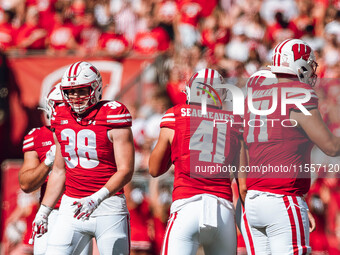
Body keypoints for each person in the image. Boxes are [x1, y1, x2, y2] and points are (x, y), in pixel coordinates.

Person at [241, 39, 340, 254]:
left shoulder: (254, 96)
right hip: (282, 199)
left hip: (254, 201)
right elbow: (331, 147)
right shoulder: (297, 93)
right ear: (299, 64)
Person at [30, 61, 135, 255]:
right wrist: (44, 210)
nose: (75, 97)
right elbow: (60, 171)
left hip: (108, 206)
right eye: (70, 92)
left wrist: (96, 198)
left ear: (95, 87)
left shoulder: (113, 113)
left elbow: (126, 170)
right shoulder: (60, 116)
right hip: (72, 206)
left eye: (80, 91)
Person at [149, 68, 243, 255]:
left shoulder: (175, 115)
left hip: (187, 207)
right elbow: (243, 181)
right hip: (223, 211)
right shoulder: (235, 122)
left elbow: (154, 169)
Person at [18, 83, 94, 255]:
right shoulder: (37, 136)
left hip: (80, 211)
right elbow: (26, 184)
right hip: (52, 211)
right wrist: (49, 161)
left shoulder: (91, 132)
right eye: (62, 105)